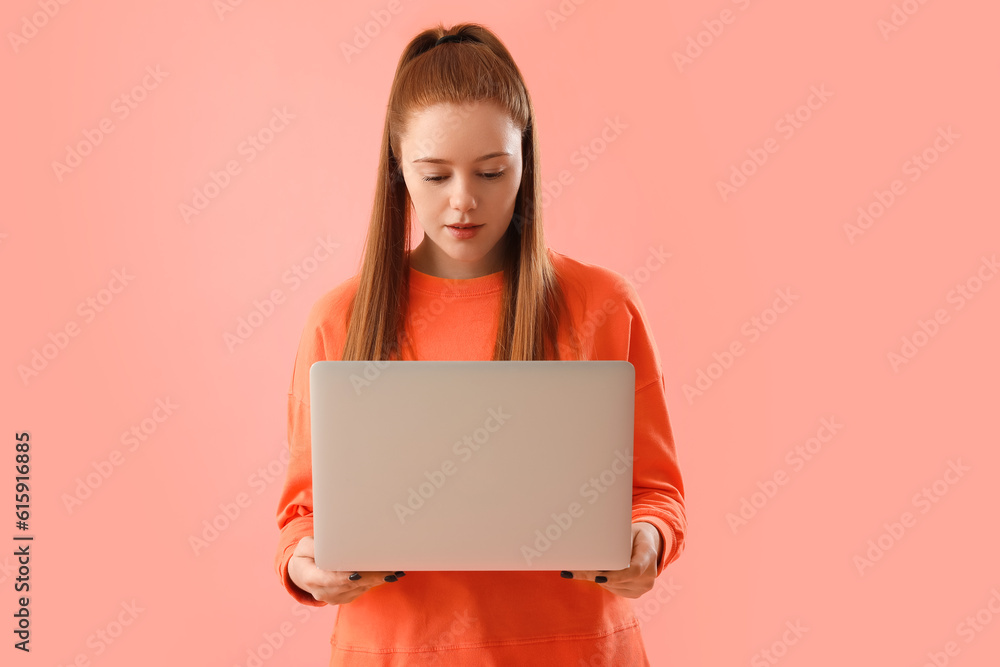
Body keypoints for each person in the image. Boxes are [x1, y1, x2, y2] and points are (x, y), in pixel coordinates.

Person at [274, 22, 686, 666]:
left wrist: (648, 540)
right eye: (434, 176)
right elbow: (302, 515)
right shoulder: (339, 319)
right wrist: (305, 564)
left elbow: (655, 493)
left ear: (526, 159)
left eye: (492, 171)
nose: (463, 202)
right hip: (398, 652)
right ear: (397, 169)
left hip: (572, 651)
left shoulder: (604, 305)